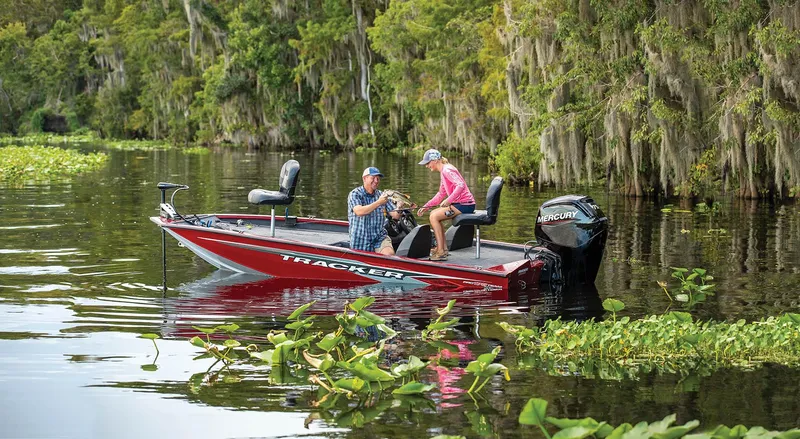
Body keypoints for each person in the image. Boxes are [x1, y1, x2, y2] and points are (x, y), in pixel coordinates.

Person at [416, 148, 476, 261]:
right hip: (460, 204)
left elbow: (460, 185)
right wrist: (426, 206)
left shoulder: (447, 170)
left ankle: (441, 252)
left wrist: (449, 200)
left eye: (428, 163)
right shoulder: (443, 171)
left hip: (465, 205)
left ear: (435, 160)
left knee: (434, 216)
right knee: (434, 213)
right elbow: (441, 194)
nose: (427, 166)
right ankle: (443, 248)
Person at [348, 167, 401, 255]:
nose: (376, 181)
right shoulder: (355, 194)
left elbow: (396, 215)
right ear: (364, 178)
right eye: (373, 178)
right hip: (360, 239)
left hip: (379, 237)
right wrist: (379, 202)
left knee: (389, 255)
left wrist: (399, 207)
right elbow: (359, 212)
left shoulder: (382, 195)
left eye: (378, 178)